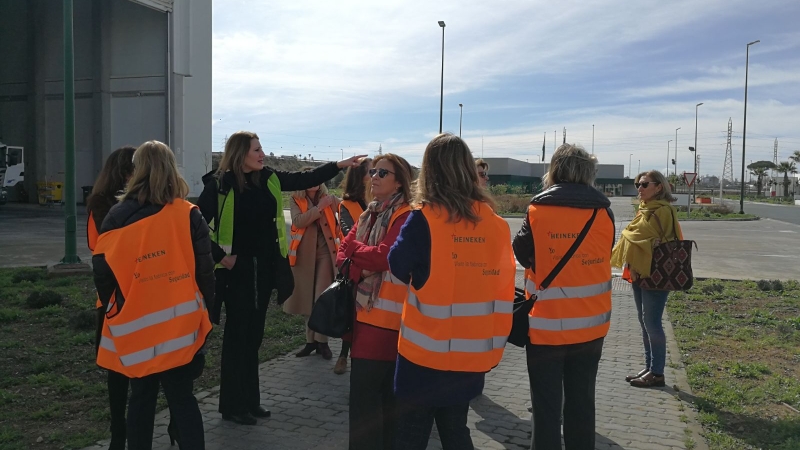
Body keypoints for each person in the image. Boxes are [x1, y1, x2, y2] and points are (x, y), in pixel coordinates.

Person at [197, 130, 364, 426]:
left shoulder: (268, 178)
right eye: (257, 150)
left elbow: (303, 179)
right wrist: (221, 256)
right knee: (238, 338)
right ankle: (232, 405)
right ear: (240, 154)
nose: (262, 154)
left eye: (262, 149)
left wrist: (339, 166)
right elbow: (195, 226)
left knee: (255, 337)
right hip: (237, 273)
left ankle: (251, 401)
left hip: (265, 269)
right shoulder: (219, 185)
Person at [388, 134, 515, 450]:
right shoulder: (497, 225)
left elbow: (397, 264)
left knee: (409, 436)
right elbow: (502, 285)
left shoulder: (423, 219)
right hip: (472, 355)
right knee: (455, 430)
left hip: (424, 356)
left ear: (429, 171)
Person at [92, 141, 215, 450]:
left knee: (141, 399)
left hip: (136, 326)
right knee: (182, 399)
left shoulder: (117, 216)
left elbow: (102, 270)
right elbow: (205, 272)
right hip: (181, 326)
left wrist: (116, 309)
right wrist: (209, 313)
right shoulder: (189, 214)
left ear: (137, 171)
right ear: (172, 169)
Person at [512, 143, 615, 450]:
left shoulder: (537, 211)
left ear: (554, 170)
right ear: (588, 174)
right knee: (582, 403)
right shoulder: (604, 213)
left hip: (546, 328)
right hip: (591, 327)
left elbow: (522, 253)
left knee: (545, 408)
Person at [335, 153, 414, 450]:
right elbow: (342, 253)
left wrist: (355, 257)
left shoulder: (406, 215)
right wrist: (359, 261)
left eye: (383, 173)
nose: (374, 177)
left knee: (380, 408)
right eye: (372, 172)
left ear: (398, 183)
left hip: (389, 326)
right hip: (362, 322)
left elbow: (384, 256)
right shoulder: (369, 213)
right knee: (363, 407)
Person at [611, 170, 682, 388]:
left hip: (656, 273)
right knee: (644, 322)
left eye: (644, 184)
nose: (639, 189)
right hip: (639, 270)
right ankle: (650, 367)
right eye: (637, 184)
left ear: (659, 187)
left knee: (652, 323)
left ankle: (658, 373)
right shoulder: (644, 210)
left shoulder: (663, 210)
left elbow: (645, 237)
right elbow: (635, 236)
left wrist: (628, 236)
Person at [86, 145, 135, 450]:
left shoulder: (100, 206)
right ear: (127, 172)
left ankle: (120, 436)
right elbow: (101, 251)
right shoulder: (115, 207)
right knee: (123, 374)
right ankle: (120, 434)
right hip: (121, 298)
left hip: (112, 300)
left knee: (120, 375)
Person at [283, 168, 341, 360]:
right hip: (303, 257)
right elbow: (298, 222)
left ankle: (323, 343)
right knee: (307, 301)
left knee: (321, 298)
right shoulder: (295, 199)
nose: (314, 182)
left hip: (326, 254)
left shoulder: (330, 198)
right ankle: (310, 342)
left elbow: (345, 210)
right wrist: (318, 209)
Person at [333, 157, 372, 374]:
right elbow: (349, 236)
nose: (375, 175)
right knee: (352, 315)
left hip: (374, 267)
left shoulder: (382, 201)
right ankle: (343, 355)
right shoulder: (346, 205)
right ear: (360, 177)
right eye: (371, 171)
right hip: (355, 268)